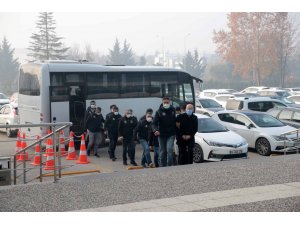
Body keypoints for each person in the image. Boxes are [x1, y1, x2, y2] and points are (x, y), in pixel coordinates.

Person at [152, 96, 176, 167]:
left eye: (167, 102)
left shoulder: (173, 110)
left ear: (170, 102)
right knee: (163, 151)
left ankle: (169, 165)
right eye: (164, 102)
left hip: (171, 134)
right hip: (161, 135)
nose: (166, 104)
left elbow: (175, 121)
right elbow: (154, 123)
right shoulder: (158, 112)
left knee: (169, 149)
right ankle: (162, 166)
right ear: (162, 103)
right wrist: (155, 130)